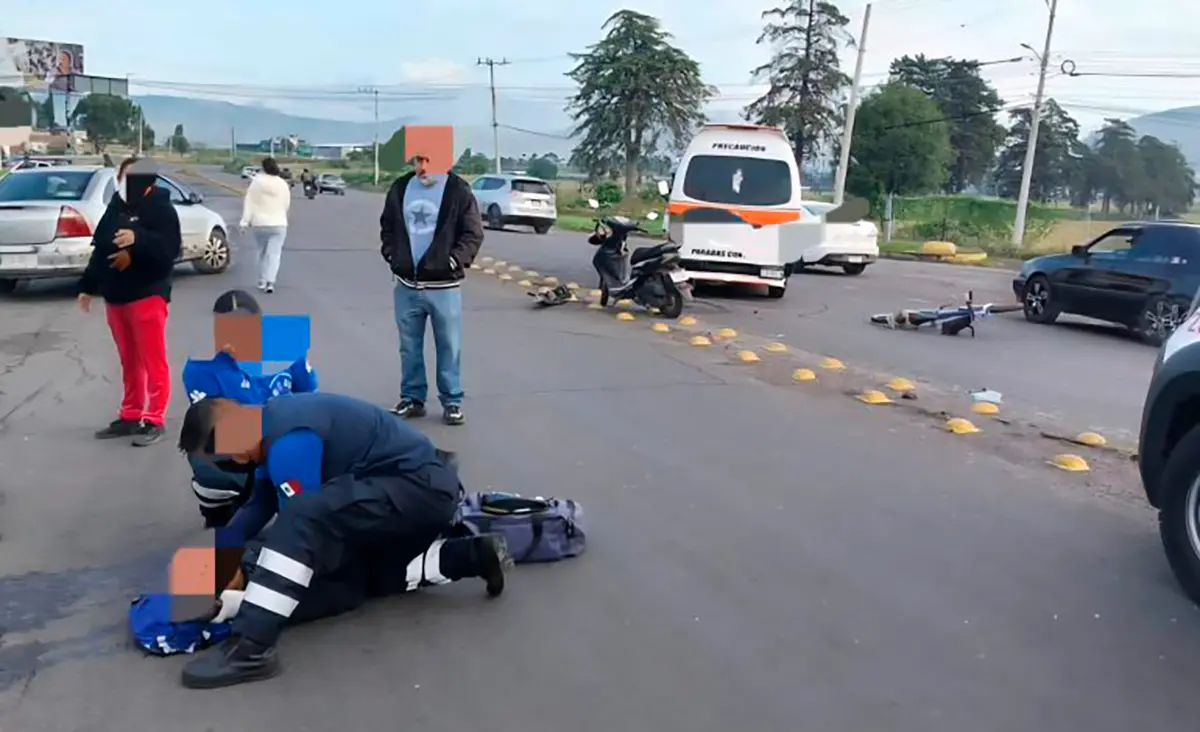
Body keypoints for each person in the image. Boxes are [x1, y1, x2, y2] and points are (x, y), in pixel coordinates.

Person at [175, 391, 513, 688]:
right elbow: (256, 508)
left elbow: (301, 531)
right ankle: (471, 556)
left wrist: (251, 584)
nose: (231, 463)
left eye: (222, 456)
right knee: (359, 577)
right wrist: (224, 564)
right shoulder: (268, 425)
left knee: (303, 527)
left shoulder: (288, 443)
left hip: (417, 491)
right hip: (408, 494)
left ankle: (251, 646)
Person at [183, 289, 318, 527]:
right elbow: (213, 427)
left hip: (279, 439)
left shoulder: (287, 350)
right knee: (209, 459)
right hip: (238, 446)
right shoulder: (200, 369)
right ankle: (223, 507)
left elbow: (308, 397)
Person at [78, 158, 181, 447]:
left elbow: (169, 251)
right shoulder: (116, 206)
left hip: (147, 294)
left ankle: (154, 418)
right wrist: (87, 286)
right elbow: (100, 247)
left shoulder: (160, 208)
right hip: (116, 296)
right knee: (129, 360)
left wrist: (137, 243)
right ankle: (130, 414)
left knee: (153, 360)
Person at [380, 153, 483, 425]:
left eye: (429, 160)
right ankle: (412, 398)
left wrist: (452, 261)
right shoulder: (401, 187)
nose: (423, 168)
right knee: (408, 346)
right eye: (418, 160)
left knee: (449, 345)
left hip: (444, 286)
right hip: (406, 284)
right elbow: (387, 227)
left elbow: (472, 234)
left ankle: (452, 401)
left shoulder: (458, 190)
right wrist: (393, 256)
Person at [240, 156, 292, 293]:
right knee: (274, 254)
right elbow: (286, 204)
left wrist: (244, 222)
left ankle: (261, 281)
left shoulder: (256, 182)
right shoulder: (282, 184)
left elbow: (249, 203)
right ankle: (270, 282)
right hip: (279, 223)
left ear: (263, 168)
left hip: (260, 223)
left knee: (261, 252)